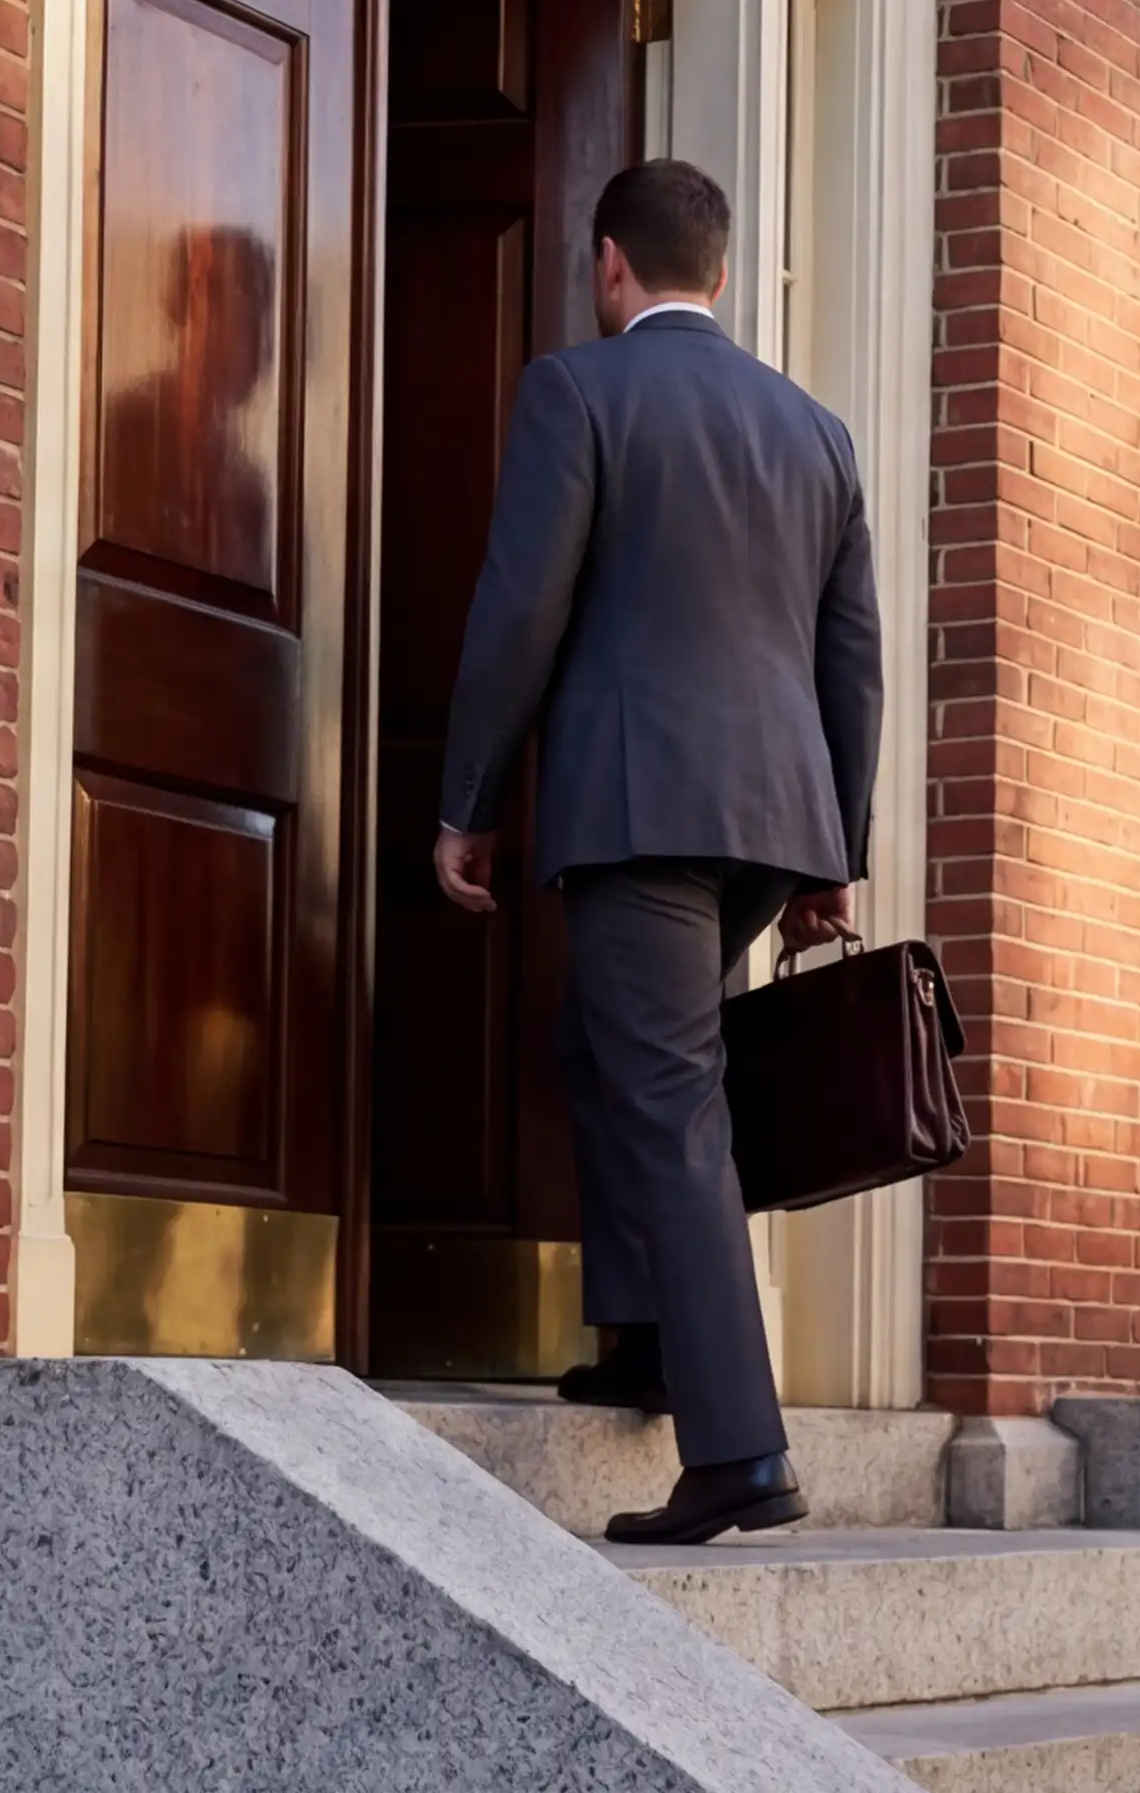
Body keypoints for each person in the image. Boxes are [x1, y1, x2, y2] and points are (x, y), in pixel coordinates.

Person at [431, 157, 879, 1546]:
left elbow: (522, 612)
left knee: (670, 1094)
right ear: (722, 275)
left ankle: (739, 1452)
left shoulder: (580, 389)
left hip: (641, 814)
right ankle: (640, 1332)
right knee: (601, 1046)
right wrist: (835, 849)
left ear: (611, 266)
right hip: (774, 821)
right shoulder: (816, 431)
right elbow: (851, 658)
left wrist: (469, 798)